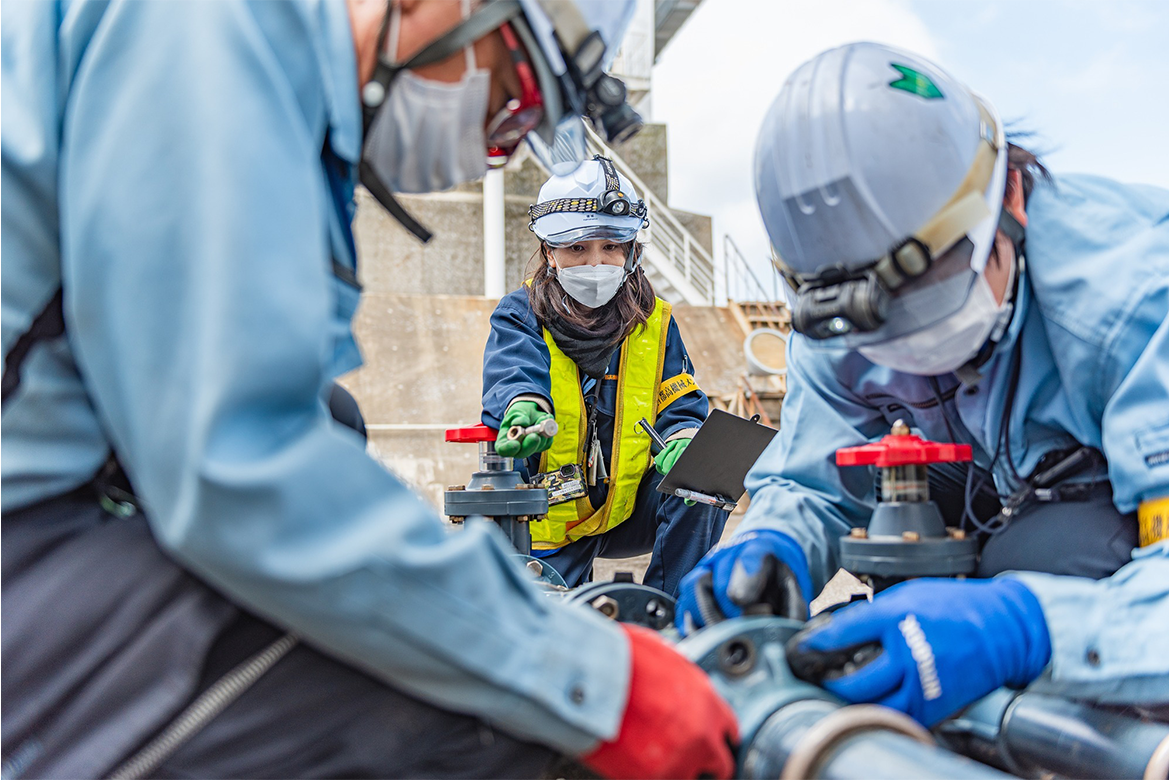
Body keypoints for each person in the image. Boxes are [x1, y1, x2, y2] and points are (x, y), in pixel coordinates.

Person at [1, 2, 738, 778]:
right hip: (35, 540)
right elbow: (239, 465)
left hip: (66, 510)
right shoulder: (208, 38)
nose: (497, 147)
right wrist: (592, 679)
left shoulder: (270, 100)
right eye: (514, 95)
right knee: (474, 713)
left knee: (336, 424)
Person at [677, 42, 1168, 725]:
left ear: (1010, 202)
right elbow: (813, 480)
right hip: (996, 483)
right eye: (875, 327)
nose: (904, 354)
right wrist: (774, 547)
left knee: (1042, 559)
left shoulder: (1138, 295)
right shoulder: (839, 303)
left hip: (1109, 515)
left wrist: (1029, 626)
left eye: (929, 298)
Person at [481, 156, 729, 595]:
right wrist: (523, 406)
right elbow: (513, 372)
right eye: (577, 248)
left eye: (611, 246)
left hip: (629, 507)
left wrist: (683, 438)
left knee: (709, 473)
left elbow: (680, 402)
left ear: (631, 251)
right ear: (549, 253)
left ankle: (667, 610)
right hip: (547, 516)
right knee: (550, 620)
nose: (596, 262)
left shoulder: (655, 322)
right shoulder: (520, 313)